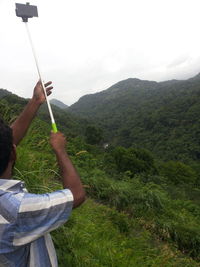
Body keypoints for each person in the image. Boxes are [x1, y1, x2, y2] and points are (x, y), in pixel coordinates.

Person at [0, 81, 86, 267]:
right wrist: (60, 151)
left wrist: (35, 102)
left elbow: (7, 142)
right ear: (14, 153)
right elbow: (76, 195)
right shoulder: (16, 210)